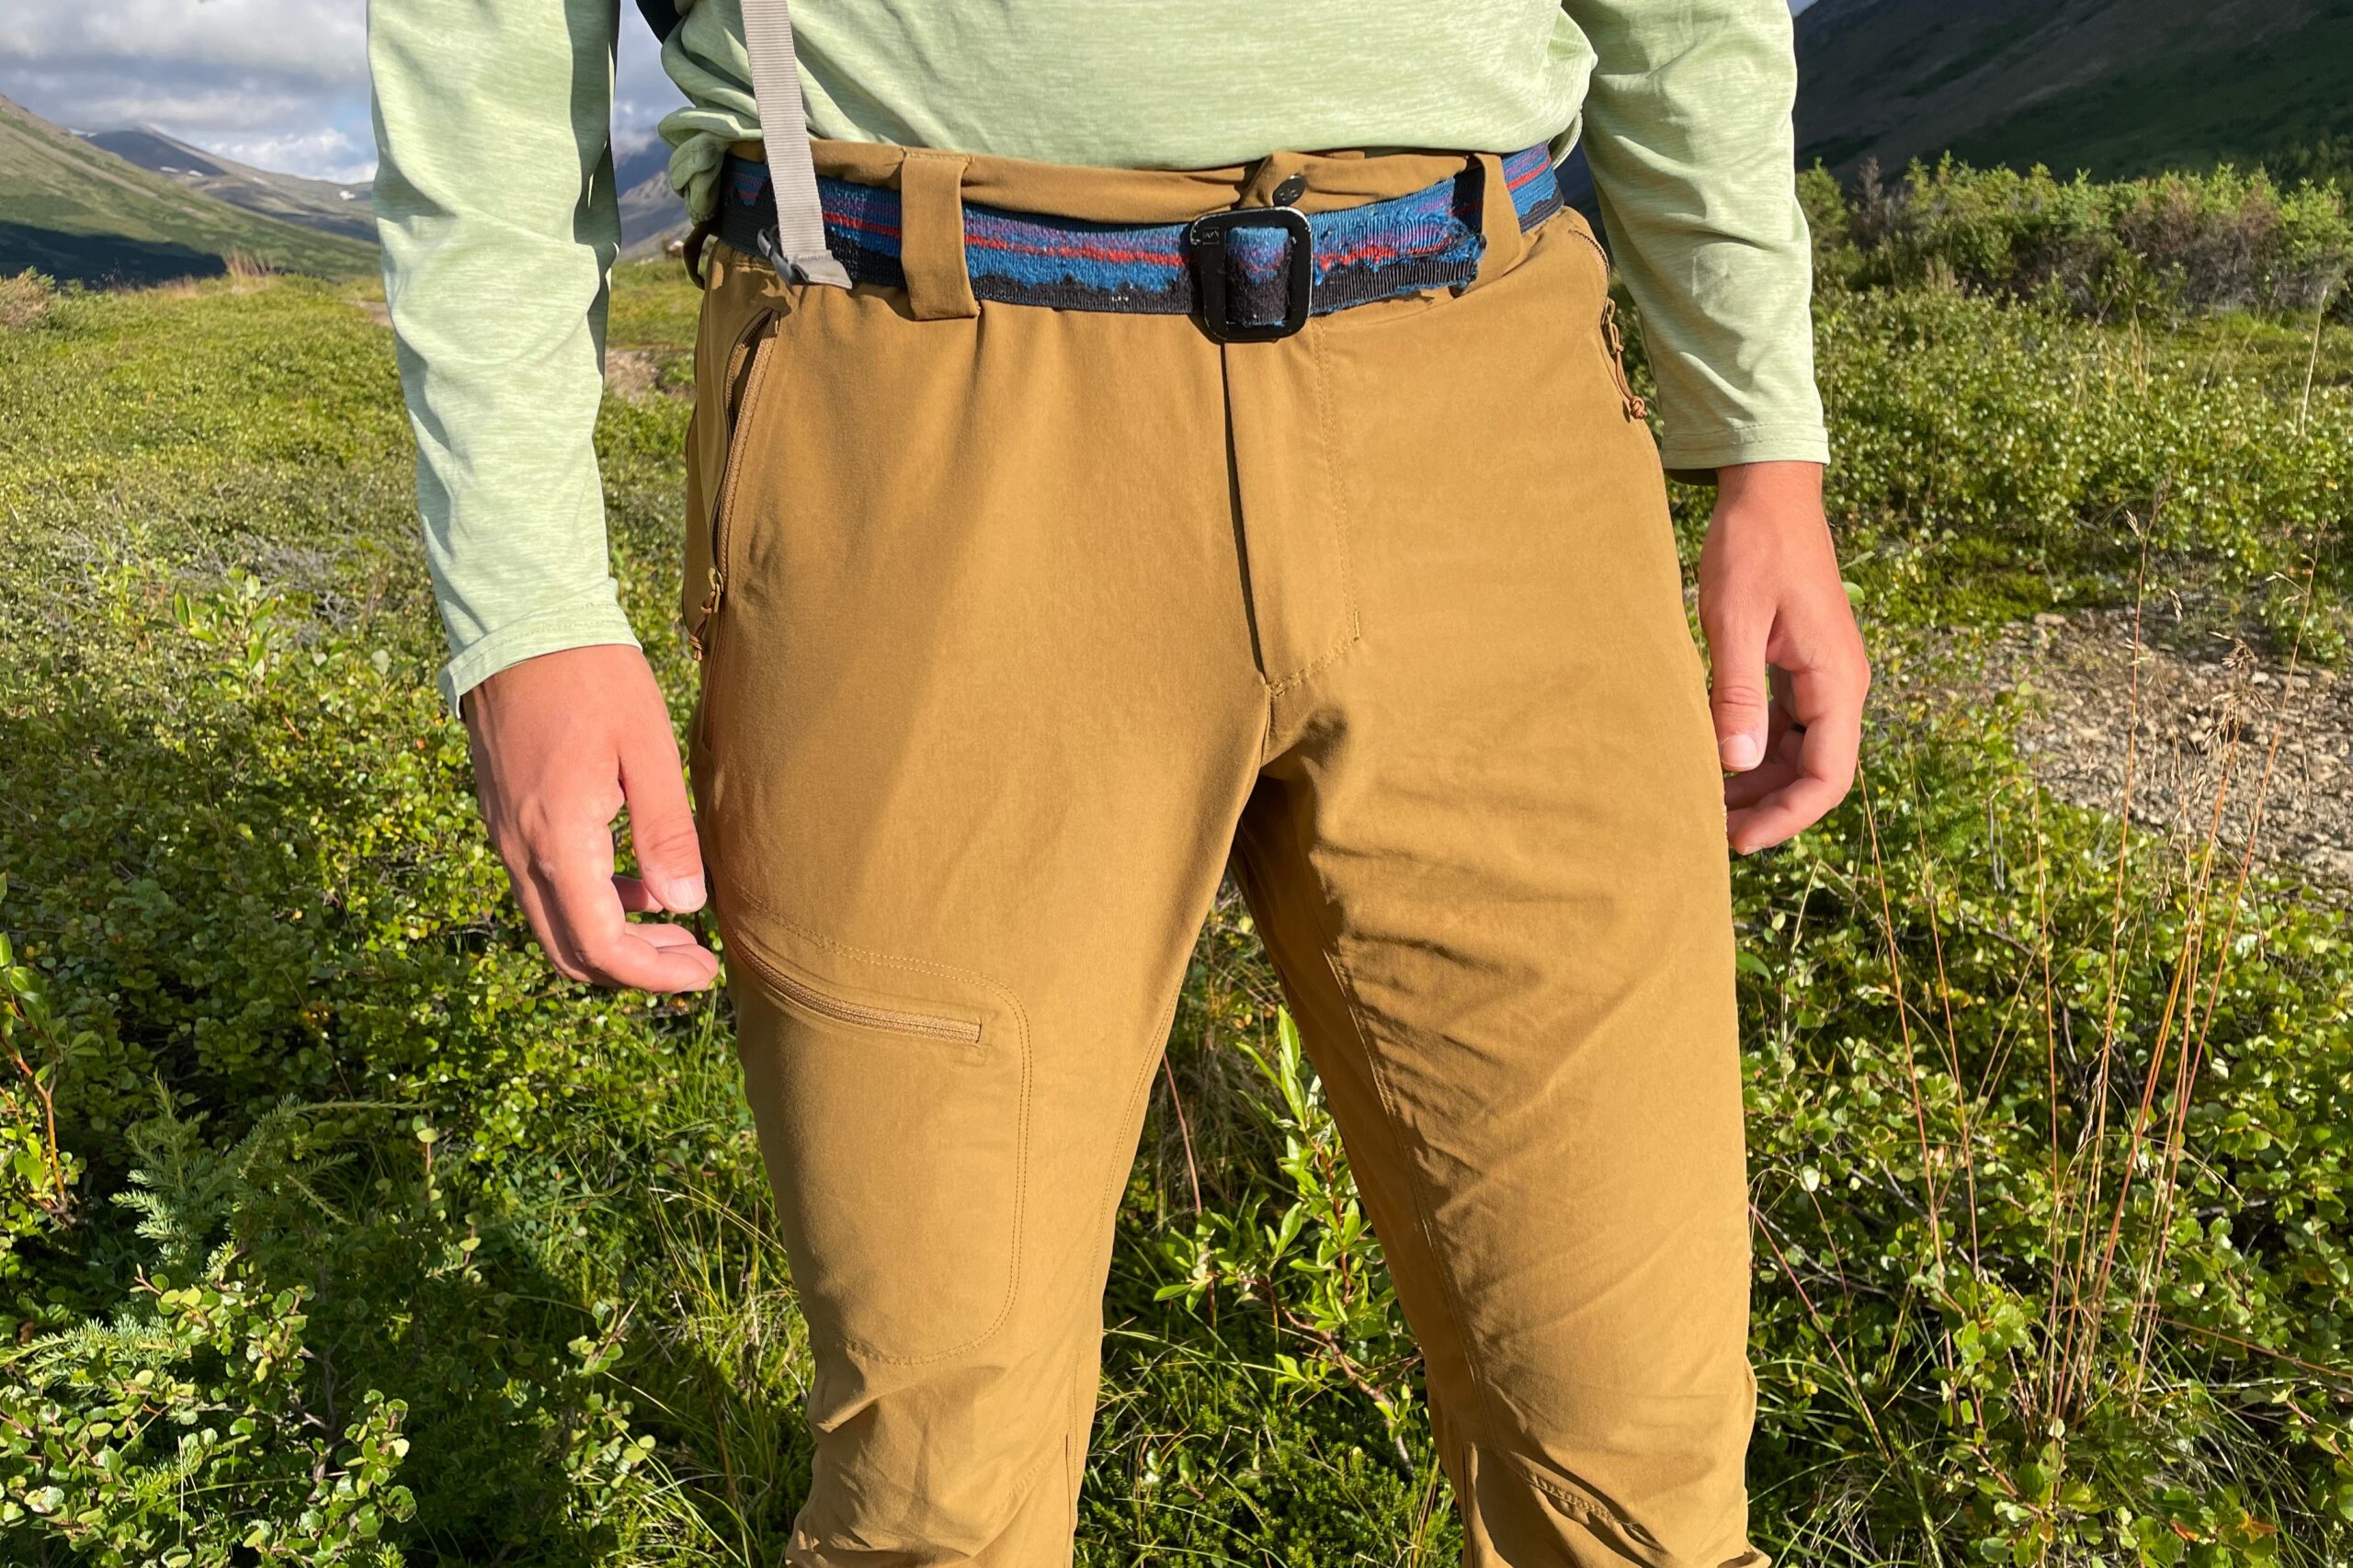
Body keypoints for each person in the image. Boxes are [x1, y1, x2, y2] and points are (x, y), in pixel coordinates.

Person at [369, 0, 1869, 1561]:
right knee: (934, 1499)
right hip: (917, 407)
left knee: (1640, 1473)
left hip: (1493, 404)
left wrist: (1762, 432)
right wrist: (525, 600)